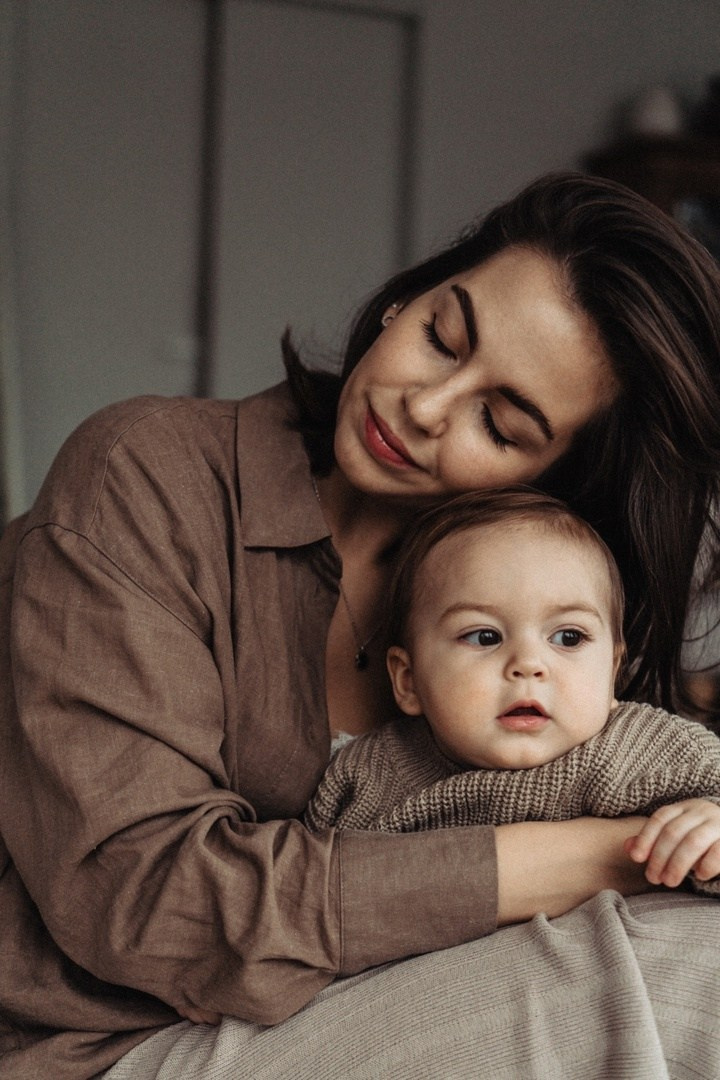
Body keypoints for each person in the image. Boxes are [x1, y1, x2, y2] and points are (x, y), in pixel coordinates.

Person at [2, 171, 720, 1079]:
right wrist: (612, 857)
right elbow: (144, 903)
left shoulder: (542, 606)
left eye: (499, 425)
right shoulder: (143, 476)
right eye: (441, 336)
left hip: (370, 1001)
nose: (423, 406)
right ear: (404, 300)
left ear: (554, 478)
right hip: (108, 1043)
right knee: (692, 976)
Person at [304, 488, 720, 901]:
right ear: (408, 681)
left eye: (568, 637)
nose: (529, 664)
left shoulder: (641, 747)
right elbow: (305, 884)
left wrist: (709, 825)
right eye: (485, 637)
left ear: (612, 671)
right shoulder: (365, 775)